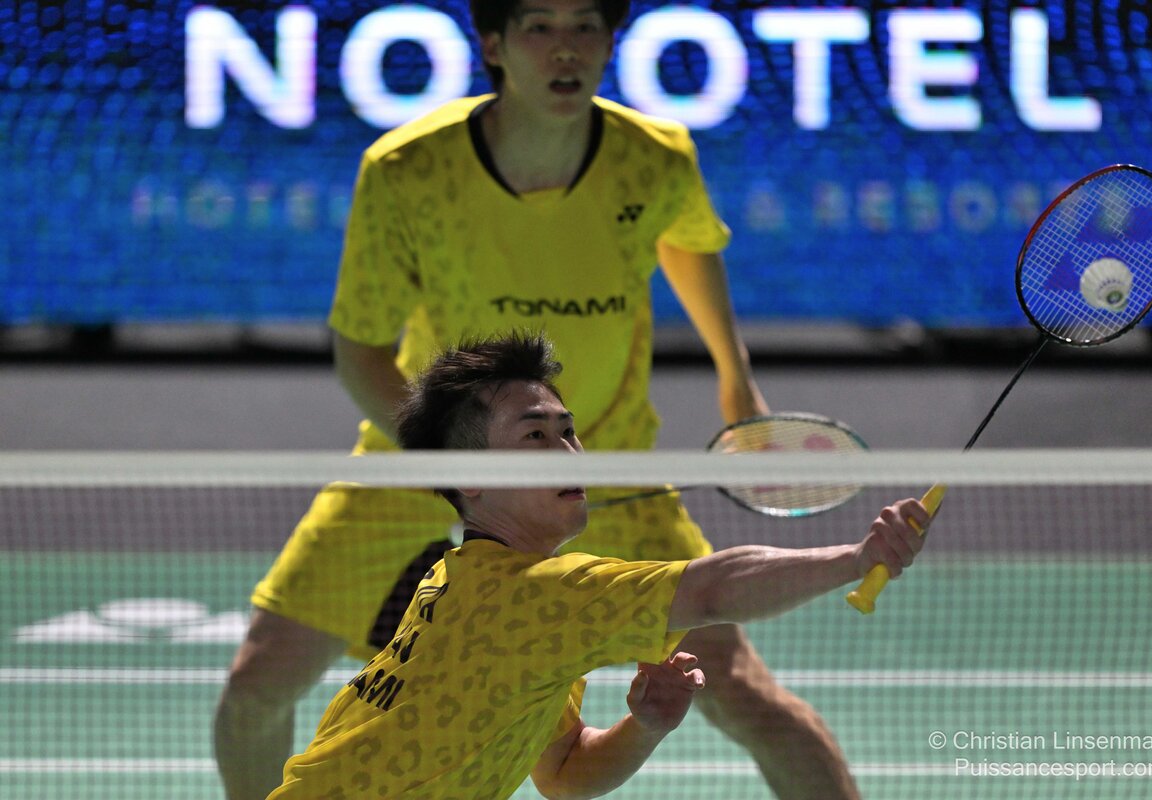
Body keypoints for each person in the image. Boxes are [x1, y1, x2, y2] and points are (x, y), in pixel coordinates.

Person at [214, 1, 853, 797]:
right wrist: (452, 460)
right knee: (258, 683)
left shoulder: (654, 159)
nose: (565, 50)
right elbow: (359, 350)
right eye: (539, 27)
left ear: (610, 42)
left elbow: (689, 244)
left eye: (584, 26)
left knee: (740, 691)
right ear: (494, 44)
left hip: (601, 463)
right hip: (422, 455)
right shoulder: (409, 169)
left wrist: (736, 378)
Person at [267, 333, 929, 799]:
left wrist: (644, 728)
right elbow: (712, 589)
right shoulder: (537, 595)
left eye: (567, 431)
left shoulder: (459, 580)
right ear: (470, 476)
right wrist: (855, 558)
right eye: (534, 435)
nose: (567, 452)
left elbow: (562, 771)